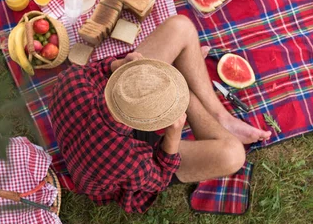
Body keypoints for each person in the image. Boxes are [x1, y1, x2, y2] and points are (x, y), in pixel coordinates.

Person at [49, 15, 271, 213]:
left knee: (181, 26)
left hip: (106, 113)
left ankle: (222, 118)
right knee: (233, 156)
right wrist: (173, 136)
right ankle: (187, 89)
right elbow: (159, 178)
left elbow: (98, 70)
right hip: (115, 158)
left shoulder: (71, 79)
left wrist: (120, 64)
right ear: (150, 124)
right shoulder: (131, 161)